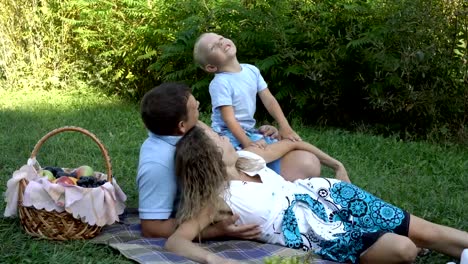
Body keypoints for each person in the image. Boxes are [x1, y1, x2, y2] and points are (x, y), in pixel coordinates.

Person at [165, 126, 468, 264]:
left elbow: (292, 144)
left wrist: (336, 165)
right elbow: (176, 240)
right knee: (404, 249)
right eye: (217, 138)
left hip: (331, 194)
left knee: (427, 231)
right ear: (210, 158)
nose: (223, 136)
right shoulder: (217, 198)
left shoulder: (247, 157)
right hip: (316, 230)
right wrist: (213, 258)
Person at [137, 82, 347, 238]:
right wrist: (216, 231)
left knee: (304, 162)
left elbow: (228, 150)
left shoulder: (185, 126)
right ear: (182, 125)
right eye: (196, 107)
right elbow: (152, 227)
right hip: (218, 200)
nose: (199, 105)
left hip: (239, 171)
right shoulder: (157, 163)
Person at [193, 32, 345, 181]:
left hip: (248, 131)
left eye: (221, 38)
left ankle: (332, 166)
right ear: (211, 67)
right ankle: (261, 176)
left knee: (289, 144)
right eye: (214, 46)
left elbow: (269, 99)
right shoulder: (220, 83)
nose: (221, 42)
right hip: (229, 135)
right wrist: (248, 143)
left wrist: (285, 126)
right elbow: (229, 119)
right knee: (254, 158)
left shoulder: (251, 70)